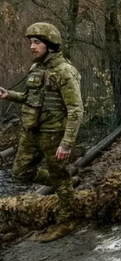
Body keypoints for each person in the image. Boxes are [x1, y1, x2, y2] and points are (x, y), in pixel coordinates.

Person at [0, 22, 84, 242]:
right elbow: (30, 98)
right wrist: (9, 95)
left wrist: (66, 144)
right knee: (20, 172)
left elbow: (76, 110)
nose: (31, 46)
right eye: (31, 42)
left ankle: (68, 220)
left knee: (59, 177)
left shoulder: (64, 72)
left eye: (36, 42)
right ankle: (64, 182)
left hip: (53, 134)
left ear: (50, 45)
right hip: (31, 132)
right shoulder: (36, 69)